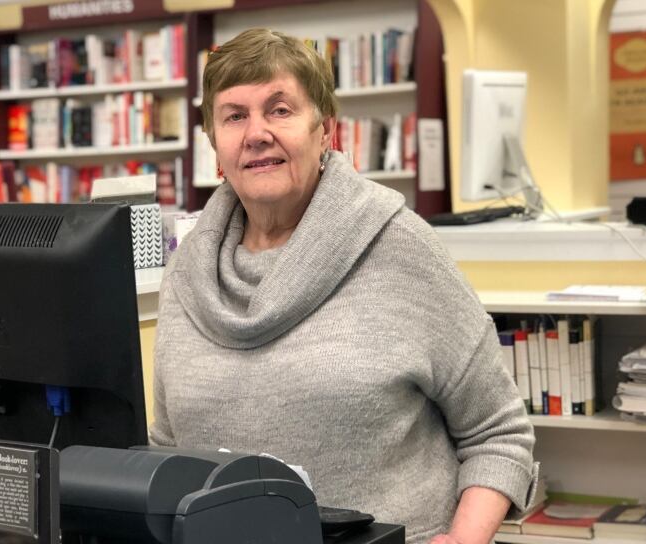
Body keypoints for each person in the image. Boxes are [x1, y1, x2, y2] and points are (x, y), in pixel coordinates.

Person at [150, 28, 537, 544]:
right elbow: (167, 446)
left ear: (324, 129)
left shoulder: (399, 246)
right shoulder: (186, 270)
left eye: (280, 110)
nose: (257, 133)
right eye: (234, 115)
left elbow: (499, 432)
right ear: (215, 145)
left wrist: (465, 540)